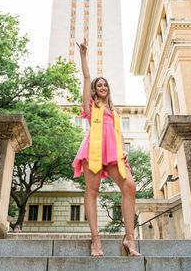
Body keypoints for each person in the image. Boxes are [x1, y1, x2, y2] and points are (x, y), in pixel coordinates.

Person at [72, 39, 140, 257]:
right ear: (95, 90)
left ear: (108, 89)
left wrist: (123, 151)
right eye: (99, 85)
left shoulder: (116, 112)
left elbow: (117, 135)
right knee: (92, 191)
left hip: (113, 153)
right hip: (93, 151)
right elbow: (86, 78)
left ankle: (129, 239)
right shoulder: (91, 108)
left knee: (130, 187)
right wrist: (83, 56)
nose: (102, 87)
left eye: (105, 85)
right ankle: (95, 240)